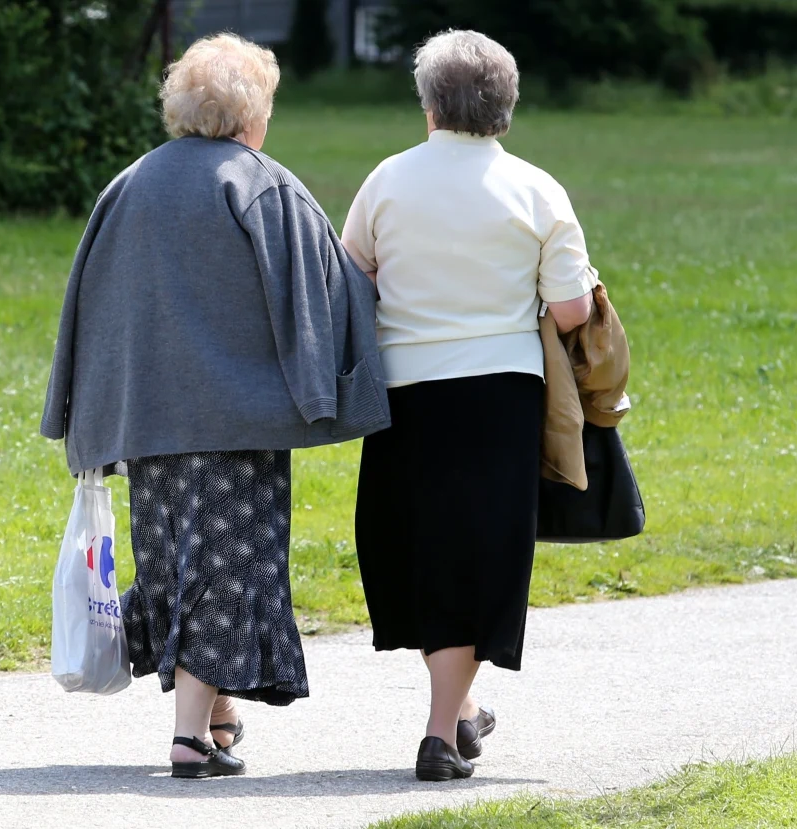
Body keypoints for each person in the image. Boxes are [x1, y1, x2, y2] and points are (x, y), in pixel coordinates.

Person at [40, 33, 389, 779]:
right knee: (228, 571)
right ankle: (189, 736)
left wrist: (85, 411)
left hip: (147, 422)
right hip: (238, 422)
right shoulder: (260, 184)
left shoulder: (128, 185)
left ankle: (217, 714)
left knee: (173, 564)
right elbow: (322, 295)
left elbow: (88, 310)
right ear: (252, 115)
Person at [341, 29, 597, 781]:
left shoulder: (387, 179)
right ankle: (443, 733)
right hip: (501, 397)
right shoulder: (536, 187)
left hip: (407, 397)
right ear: (506, 109)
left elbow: (353, 276)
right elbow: (575, 310)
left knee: (423, 552)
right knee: (478, 555)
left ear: (428, 106)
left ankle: (454, 716)